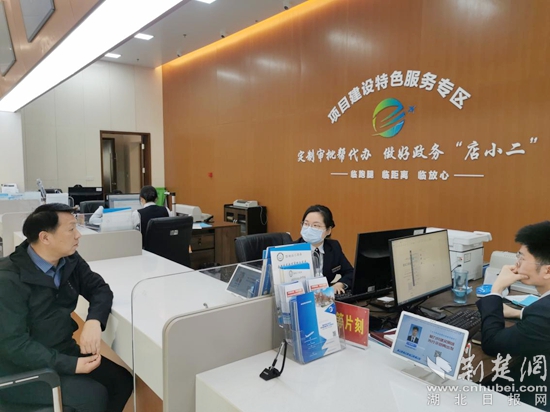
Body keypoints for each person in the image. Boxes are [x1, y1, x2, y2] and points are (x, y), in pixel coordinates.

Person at [0, 203, 132, 411]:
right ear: (45, 238)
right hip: (20, 368)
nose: (78, 235)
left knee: (121, 381)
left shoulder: (69, 260)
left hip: (62, 350)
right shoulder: (8, 278)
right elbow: (15, 345)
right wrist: (70, 365)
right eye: (71, 229)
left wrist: (94, 321)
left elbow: (99, 288)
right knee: (92, 396)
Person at [477, 221, 550, 411]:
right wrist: (519, 313)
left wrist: (496, 289)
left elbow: (492, 343)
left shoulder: (544, 314)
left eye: (522, 258)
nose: (516, 263)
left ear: (547, 270)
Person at [295, 205, 354, 294]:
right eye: (306, 224)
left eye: (316, 226)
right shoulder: (291, 250)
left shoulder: (333, 247)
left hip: (324, 297)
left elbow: (350, 272)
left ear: (328, 230)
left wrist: (340, 284)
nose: (309, 229)